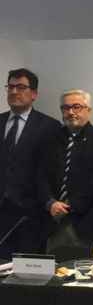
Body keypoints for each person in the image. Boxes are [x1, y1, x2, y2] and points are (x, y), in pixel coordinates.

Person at [39, 89, 93, 251]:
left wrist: (68, 206)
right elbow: (40, 176)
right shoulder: (49, 139)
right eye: (66, 108)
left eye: (77, 107)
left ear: (88, 110)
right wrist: (50, 203)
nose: (71, 112)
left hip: (89, 225)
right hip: (52, 223)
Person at [0, 68, 59, 259]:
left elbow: (51, 173)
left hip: (32, 217)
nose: (14, 92)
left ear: (34, 94)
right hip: (1, 216)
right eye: (10, 87)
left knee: (28, 278)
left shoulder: (49, 126)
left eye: (21, 87)